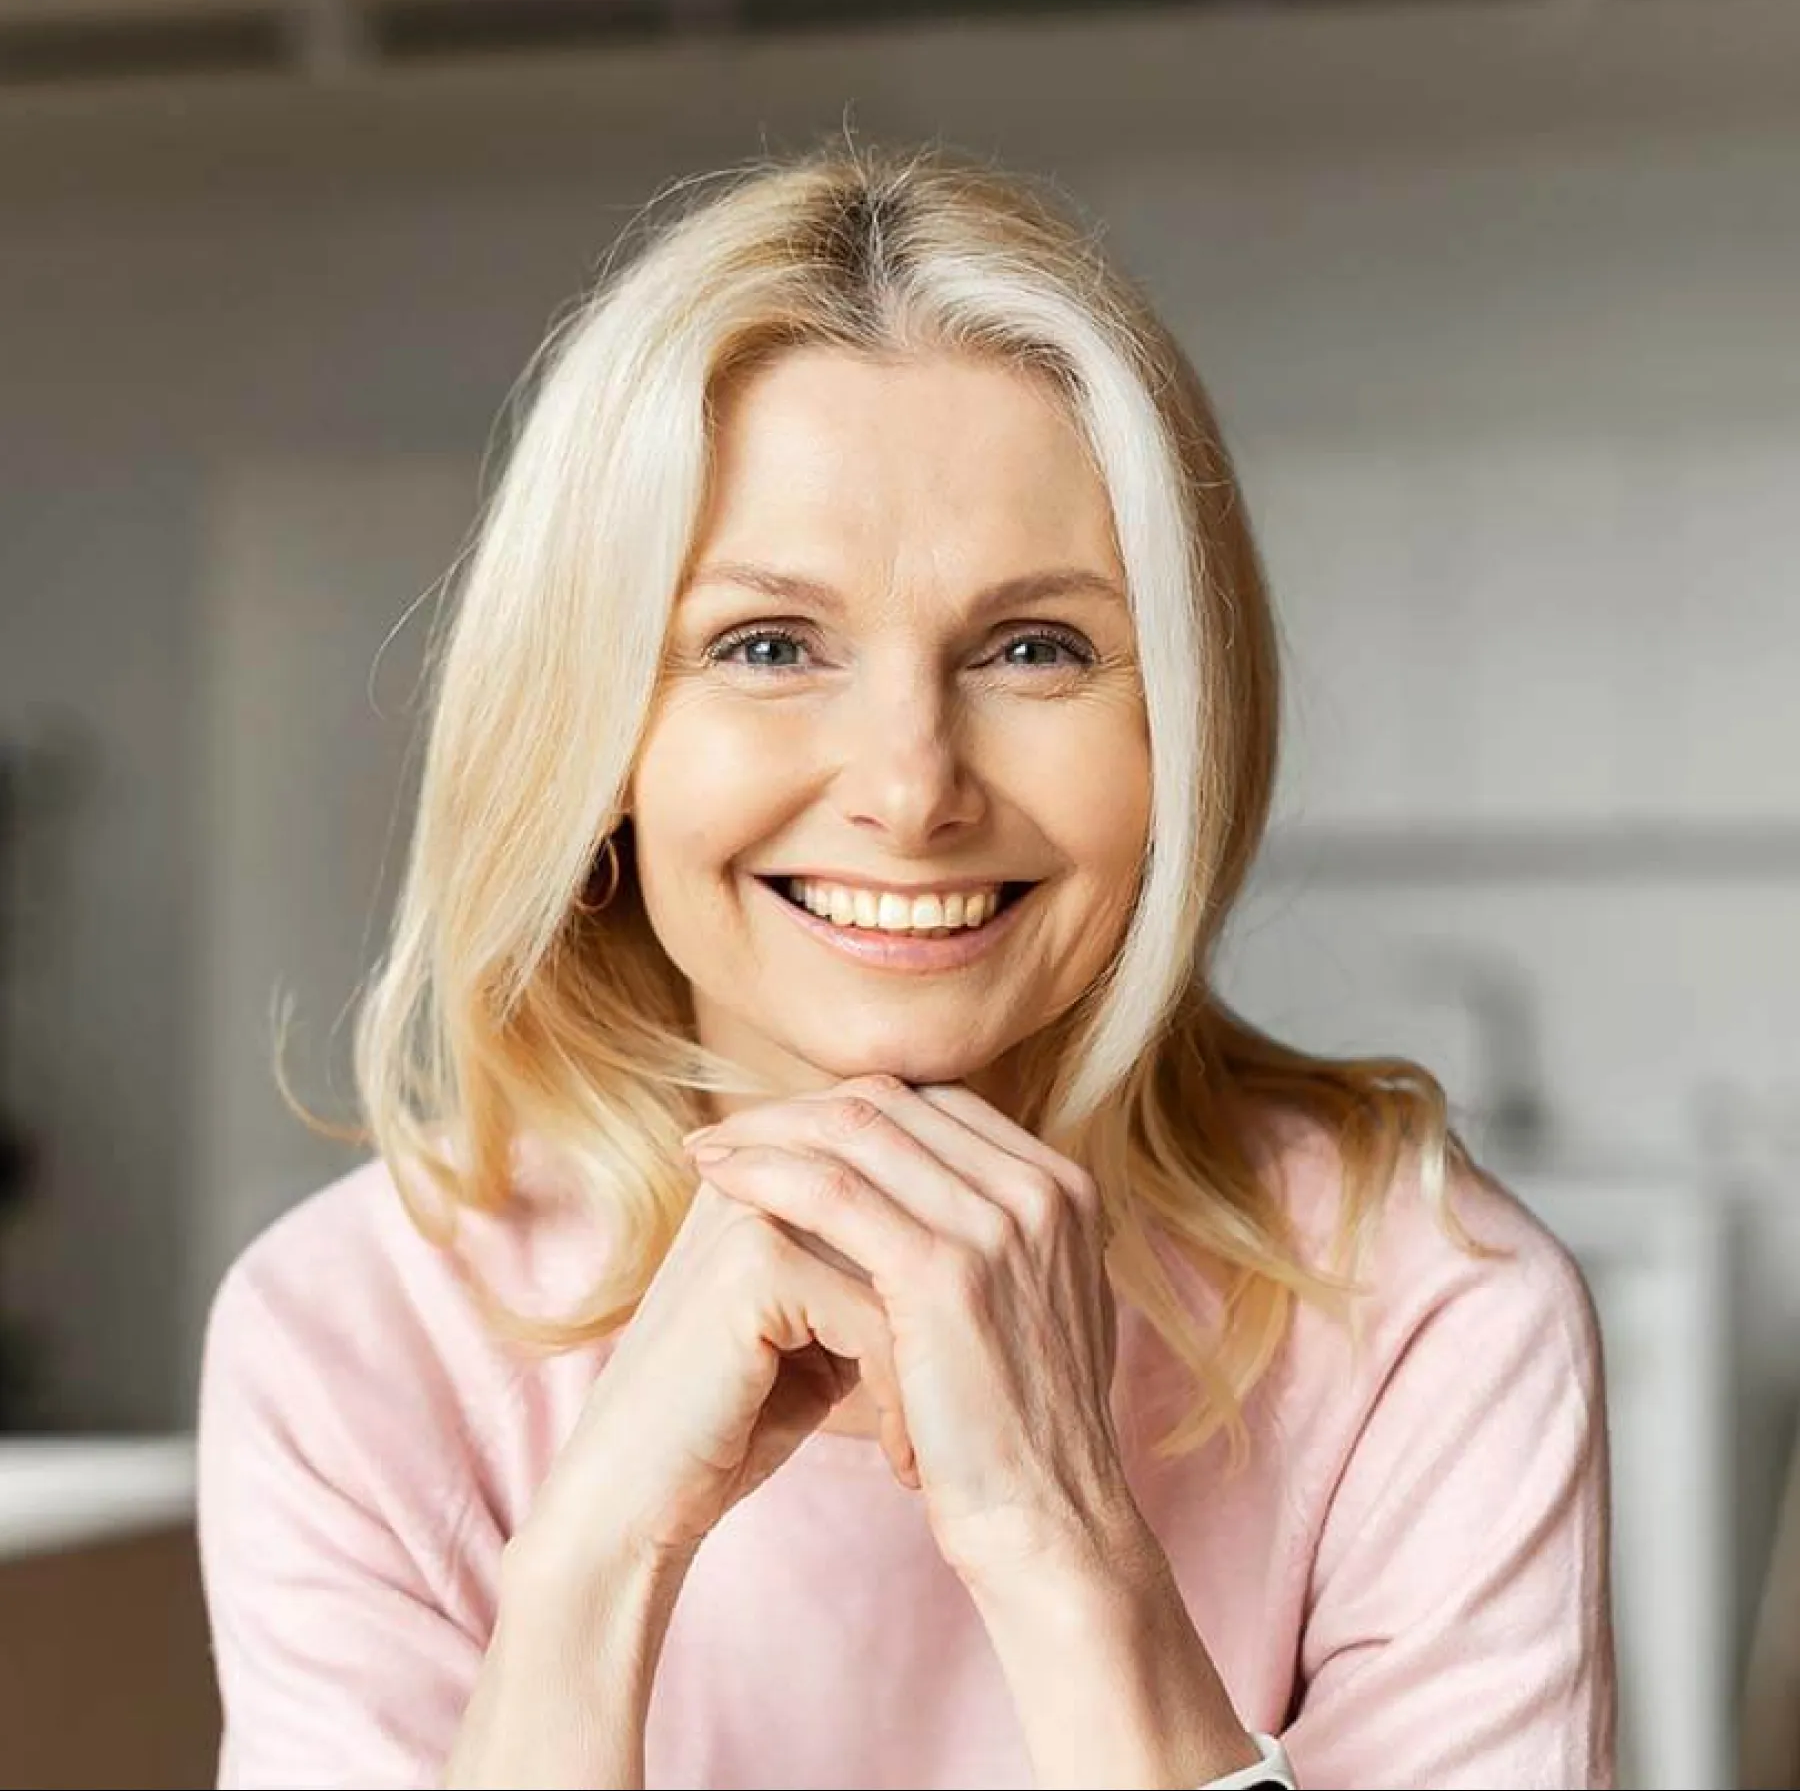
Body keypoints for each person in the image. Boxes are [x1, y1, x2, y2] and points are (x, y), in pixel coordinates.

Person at [195, 143, 1617, 1791]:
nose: (911, 787)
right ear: (599, 736)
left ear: (1184, 731)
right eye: (767, 644)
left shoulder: (1430, 1313)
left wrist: (1065, 1548)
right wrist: (590, 1569)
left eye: (1035, 647)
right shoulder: (356, 1330)